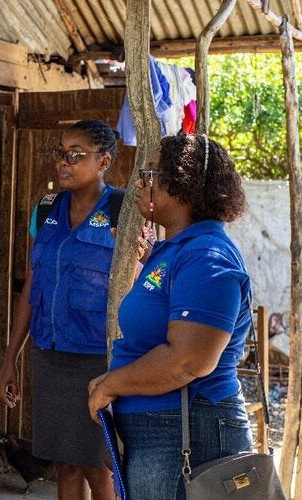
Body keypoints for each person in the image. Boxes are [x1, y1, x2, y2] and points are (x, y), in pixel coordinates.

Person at [88, 134, 252, 499]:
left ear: (182, 184)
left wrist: (111, 385)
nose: (140, 183)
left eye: (149, 173)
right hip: (163, 430)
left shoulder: (208, 257)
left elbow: (187, 361)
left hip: (187, 431)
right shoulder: (175, 251)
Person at [0, 119, 120, 500]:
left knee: (98, 466)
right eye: (60, 153)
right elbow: (32, 285)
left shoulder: (122, 210)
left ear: (104, 161)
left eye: (76, 155)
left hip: (98, 360)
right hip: (50, 356)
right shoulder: (46, 208)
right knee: (64, 465)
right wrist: (9, 358)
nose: (63, 163)